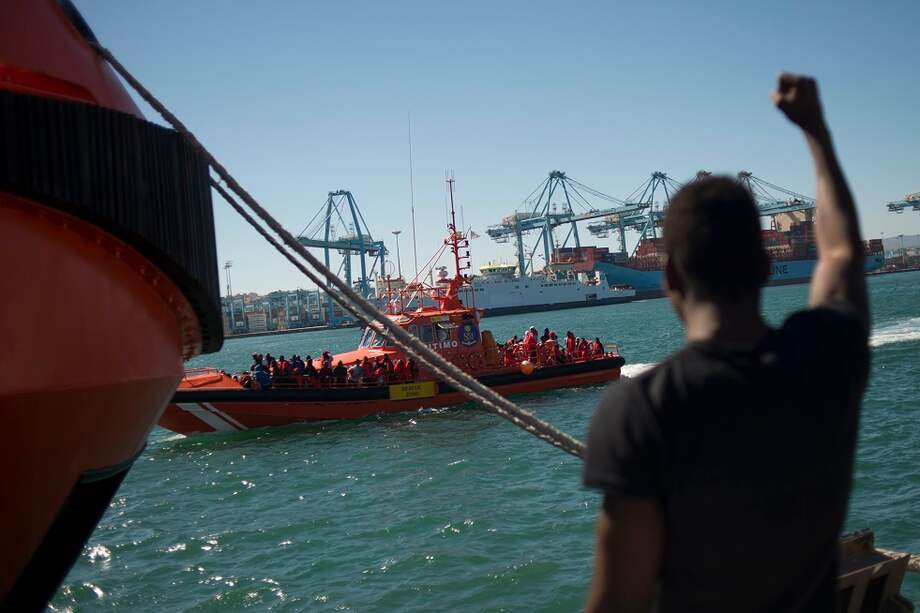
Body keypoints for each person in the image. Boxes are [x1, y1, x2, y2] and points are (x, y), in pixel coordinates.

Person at [583, 74, 870, 613]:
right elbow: (840, 254)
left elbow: (618, 601)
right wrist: (815, 130)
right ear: (768, 265)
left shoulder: (641, 408)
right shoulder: (828, 355)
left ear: (668, 276)